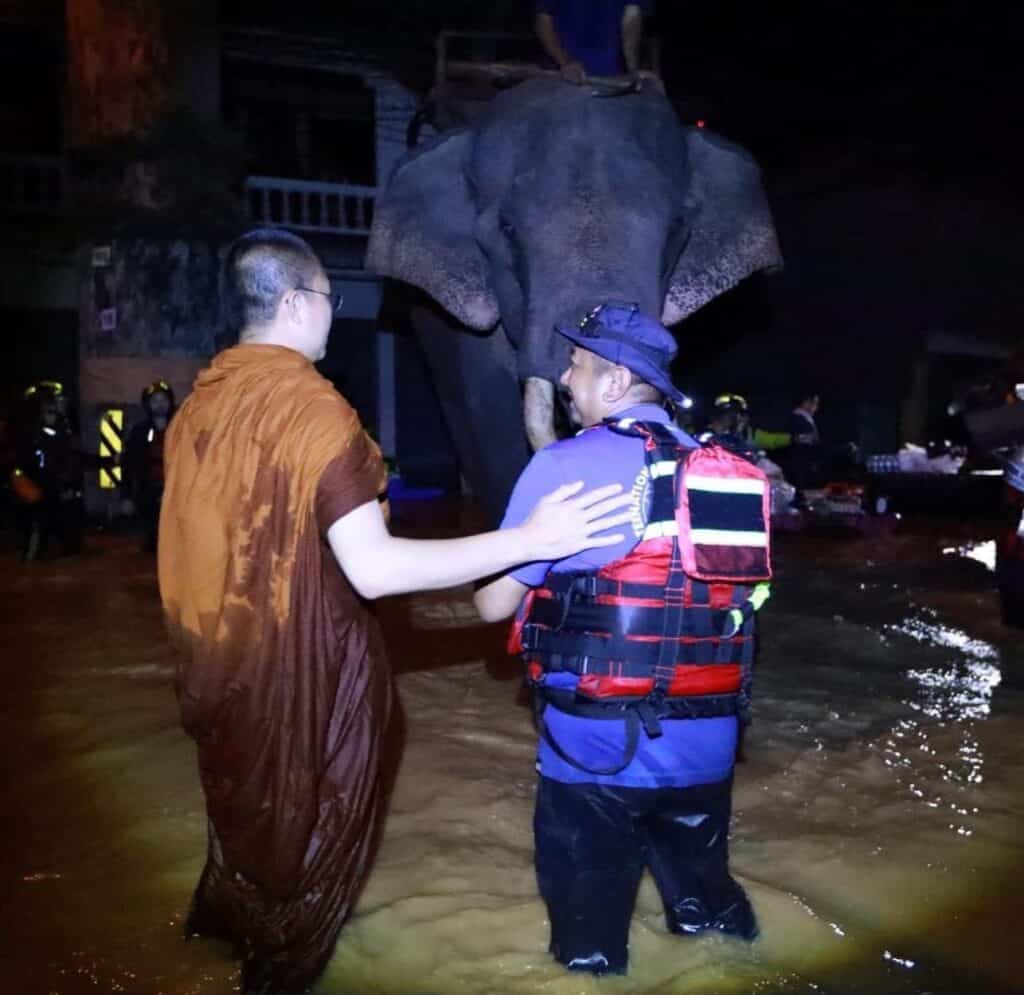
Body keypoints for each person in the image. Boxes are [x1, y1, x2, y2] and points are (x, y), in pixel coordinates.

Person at [157, 229, 632, 995]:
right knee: (304, 878)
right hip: (302, 684)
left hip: (215, 671)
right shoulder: (311, 409)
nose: (331, 315)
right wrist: (528, 538)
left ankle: (202, 947)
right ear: (293, 303)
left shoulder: (197, 408)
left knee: (242, 843)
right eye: (327, 300)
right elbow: (375, 571)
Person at [474, 302, 768, 975]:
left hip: (597, 753)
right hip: (710, 746)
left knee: (588, 951)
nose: (565, 378)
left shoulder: (562, 465)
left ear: (613, 384)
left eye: (575, 366)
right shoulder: (722, 470)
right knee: (710, 922)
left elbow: (494, 603)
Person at [11, 380, 87, 561]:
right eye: (56, 401)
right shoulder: (29, 435)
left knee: (69, 538)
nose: (62, 404)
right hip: (37, 498)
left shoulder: (62, 431)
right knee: (36, 538)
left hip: (56, 495)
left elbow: (74, 458)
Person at [533, 0, 653, 82]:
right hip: (559, 73)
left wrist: (632, 70)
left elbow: (632, 17)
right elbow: (543, 20)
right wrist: (565, 62)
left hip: (611, 77)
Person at [123, 379, 175, 552]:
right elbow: (128, 465)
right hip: (149, 491)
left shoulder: (181, 427)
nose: (160, 405)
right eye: (155, 401)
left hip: (176, 491)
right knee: (152, 542)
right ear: (148, 405)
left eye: (164, 400)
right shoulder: (140, 431)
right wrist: (126, 496)